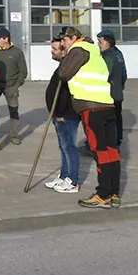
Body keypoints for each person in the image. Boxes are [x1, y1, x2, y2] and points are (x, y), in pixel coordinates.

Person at [58, 27, 121, 209]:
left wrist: (64, 57)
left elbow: (64, 73)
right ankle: (113, 192)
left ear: (73, 38)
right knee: (110, 151)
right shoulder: (94, 51)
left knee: (99, 151)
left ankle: (102, 194)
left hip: (91, 108)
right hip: (106, 105)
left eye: (65, 41)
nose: (64, 45)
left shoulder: (79, 50)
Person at [44, 33, 82, 194]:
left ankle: (72, 181)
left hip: (67, 115)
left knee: (69, 147)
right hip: (58, 115)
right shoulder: (62, 65)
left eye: (54, 48)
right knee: (63, 147)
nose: (52, 51)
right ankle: (64, 176)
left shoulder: (68, 67)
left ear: (63, 49)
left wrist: (59, 112)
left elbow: (67, 94)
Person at [0, 28, 28, 145]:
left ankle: (14, 135)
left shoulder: (17, 52)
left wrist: (17, 84)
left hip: (11, 86)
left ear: (6, 39)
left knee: (13, 111)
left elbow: (23, 71)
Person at [98, 31, 128, 147]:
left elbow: (104, 75)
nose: (99, 44)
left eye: (100, 42)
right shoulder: (118, 54)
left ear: (107, 42)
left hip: (108, 94)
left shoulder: (107, 56)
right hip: (117, 92)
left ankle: (111, 145)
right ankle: (117, 141)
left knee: (110, 121)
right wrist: (119, 88)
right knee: (117, 118)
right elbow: (124, 75)